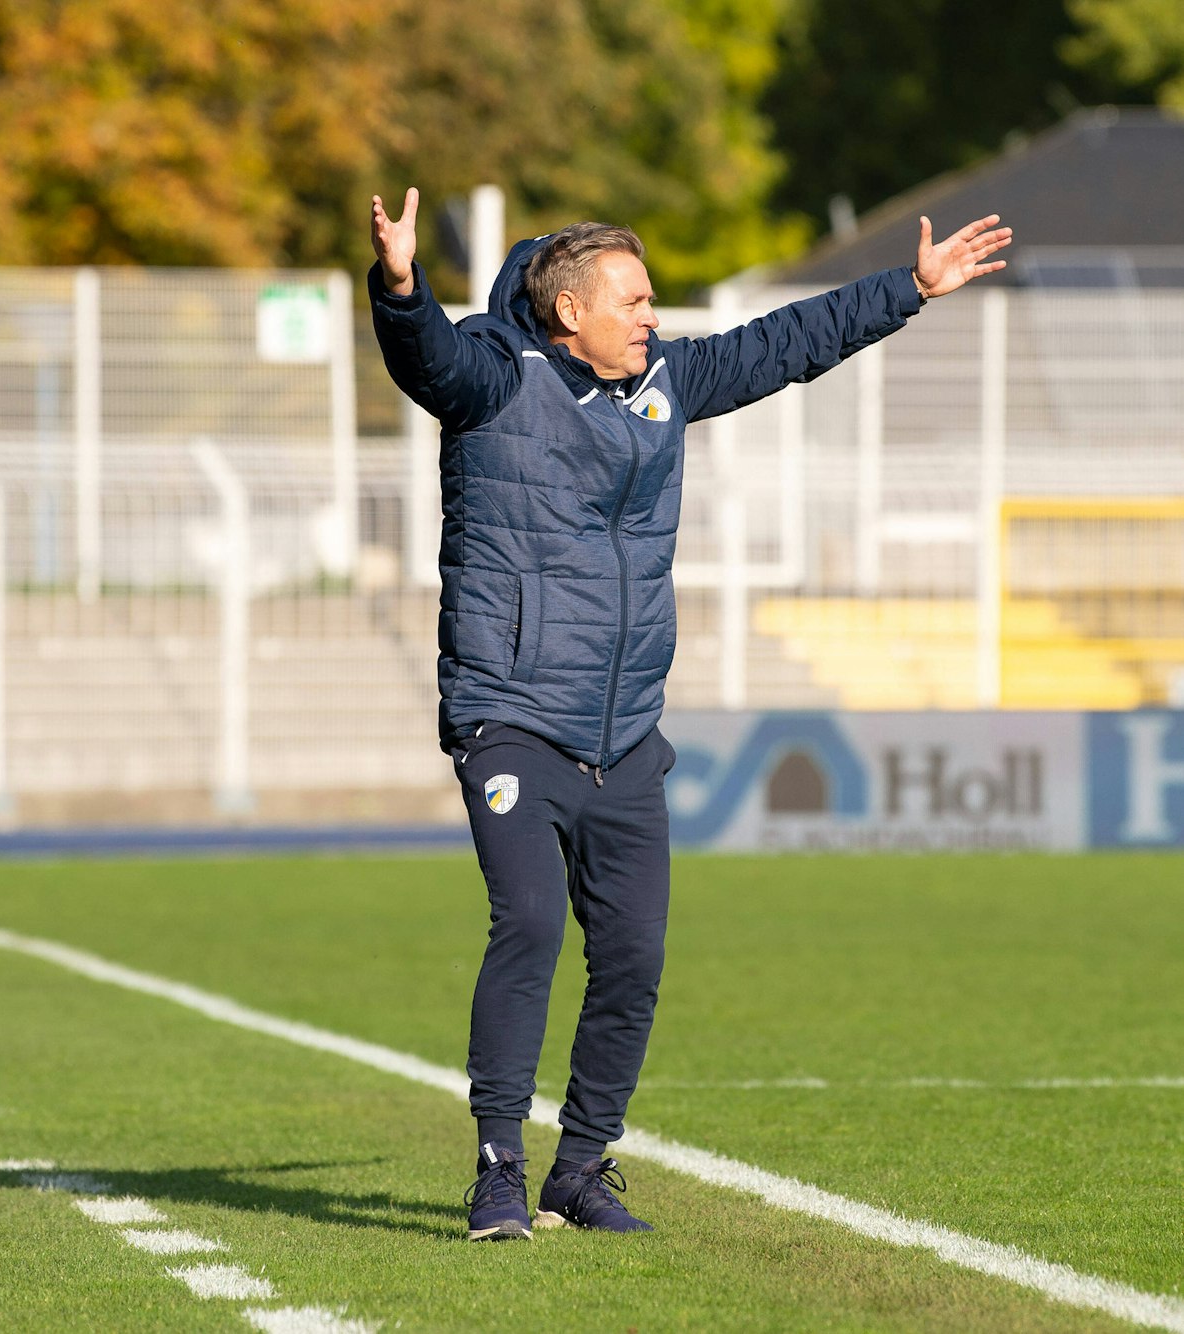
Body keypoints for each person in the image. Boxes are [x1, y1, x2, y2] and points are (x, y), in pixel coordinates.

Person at [368, 188, 1011, 1240]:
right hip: (513, 715)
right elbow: (424, 356)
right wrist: (399, 287)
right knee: (528, 921)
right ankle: (497, 1168)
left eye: (653, 298)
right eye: (633, 298)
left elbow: (785, 343)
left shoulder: (665, 379)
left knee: (633, 957)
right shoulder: (494, 378)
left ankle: (579, 1168)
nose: (651, 315)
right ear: (569, 310)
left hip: (625, 731)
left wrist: (911, 289)